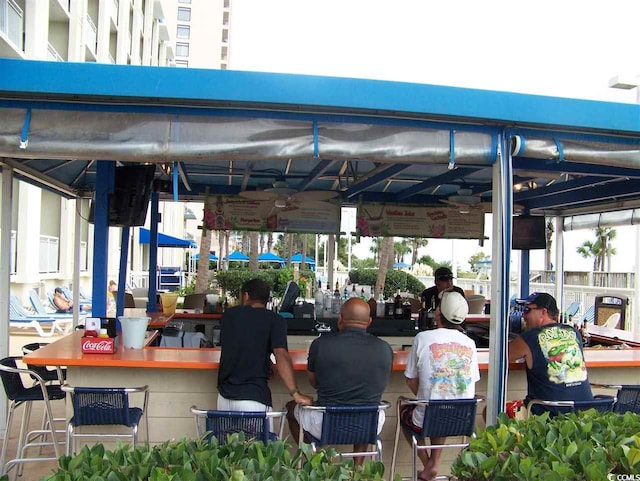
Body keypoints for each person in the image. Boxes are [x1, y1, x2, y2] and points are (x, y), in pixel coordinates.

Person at [286, 298, 393, 462]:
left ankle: (315, 463)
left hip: (326, 424)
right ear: (369, 321)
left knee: (290, 407)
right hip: (370, 425)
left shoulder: (320, 344)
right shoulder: (385, 348)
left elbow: (314, 382)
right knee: (366, 409)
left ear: (340, 318)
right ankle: (357, 471)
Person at [402, 290, 480, 481]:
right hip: (462, 419)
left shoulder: (422, 338)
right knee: (443, 405)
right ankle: (434, 464)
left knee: (406, 410)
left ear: (438, 314)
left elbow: (410, 378)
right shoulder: (470, 344)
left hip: (430, 416)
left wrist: (426, 397)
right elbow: (471, 382)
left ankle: (427, 462)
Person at [218, 278, 312, 413]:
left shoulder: (228, 315)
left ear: (245, 296)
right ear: (267, 299)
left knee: (226, 435)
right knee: (259, 435)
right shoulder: (275, 320)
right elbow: (280, 354)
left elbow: (245, 340)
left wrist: (265, 361)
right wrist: (295, 393)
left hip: (224, 398)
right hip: (254, 398)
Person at [508, 292, 593, 414]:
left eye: (527, 310)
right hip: (584, 412)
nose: (523, 315)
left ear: (543, 312)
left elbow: (500, 357)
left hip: (548, 413)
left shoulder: (530, 337)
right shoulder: (573, 332)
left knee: (491, 410)